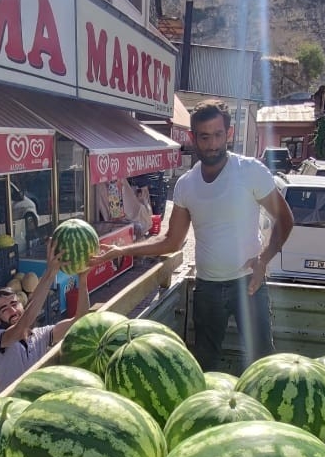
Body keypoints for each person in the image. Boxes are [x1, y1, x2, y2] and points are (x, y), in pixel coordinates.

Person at [90, 99, 295, 372]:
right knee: (204, 363)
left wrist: (263, 260)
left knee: (263, 362)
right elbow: (172, 242)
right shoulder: (186, 185)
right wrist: (122, 251)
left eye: (218, 135)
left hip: (249, 285)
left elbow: (285, 219)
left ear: (229, 134)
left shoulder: (251, 171)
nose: (211, 144)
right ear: (193, 137)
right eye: (204, 136)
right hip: (207, 287)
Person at [0, 242, 91, 392]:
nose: (12, 310)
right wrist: (50, 273)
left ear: (22, 304)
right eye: (4, 309)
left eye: (14, 304)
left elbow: (80, 320)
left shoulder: (40, 335)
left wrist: (83, 280)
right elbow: (23, 325)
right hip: (10, 410)